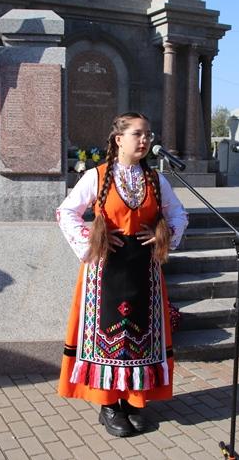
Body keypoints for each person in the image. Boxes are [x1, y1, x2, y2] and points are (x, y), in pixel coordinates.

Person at [56, 112, 189, 437]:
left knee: (141, 337)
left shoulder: (157, 181)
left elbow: (179, 213)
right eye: (138, 134)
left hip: (144, 271)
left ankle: (134, 401)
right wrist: (92, 238)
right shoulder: (96, 177)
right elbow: (66, 211)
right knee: (109, 338)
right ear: (119, 140)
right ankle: (109, 405)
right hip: (105, 272)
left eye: (148, 135)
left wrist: (164, 235)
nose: (145, 140)